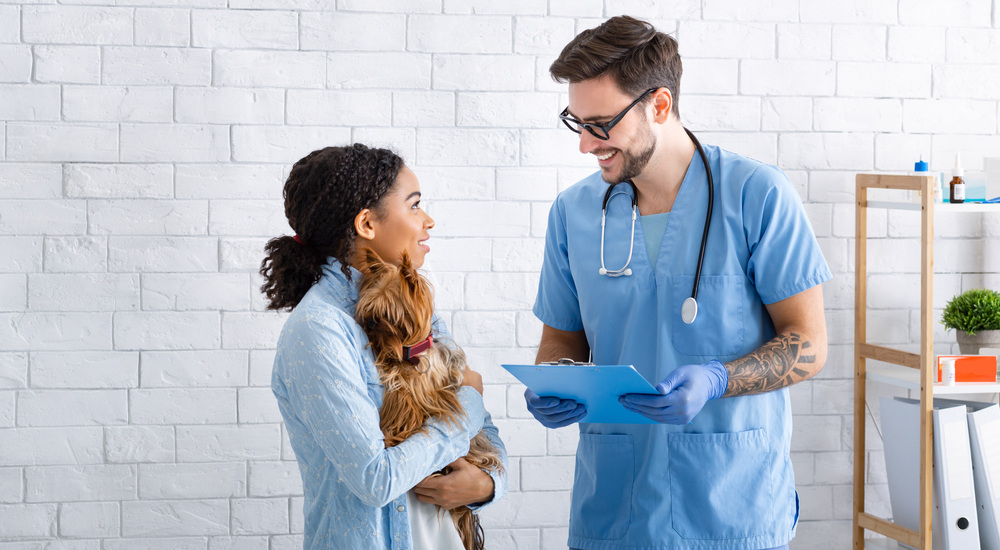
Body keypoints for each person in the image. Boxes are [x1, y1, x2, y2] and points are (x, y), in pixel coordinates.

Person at [526, 16, 831, 550]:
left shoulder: (756, 196)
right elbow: (562, 342)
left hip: (731, 506)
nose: (585, 146)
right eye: (577, 124)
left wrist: (718, 379)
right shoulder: (574, 213)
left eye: (600, 125)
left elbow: (809, 344)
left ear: (659, 105)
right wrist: (554, 383)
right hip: (614, 511)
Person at [262, 144, 508, 550]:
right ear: (366, 224)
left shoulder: (418, 311)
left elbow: (486, 440)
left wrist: (485, 484)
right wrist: (470, 403)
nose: (428, 221)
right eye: (414, 206)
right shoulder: (318, 331)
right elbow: (377, 481)